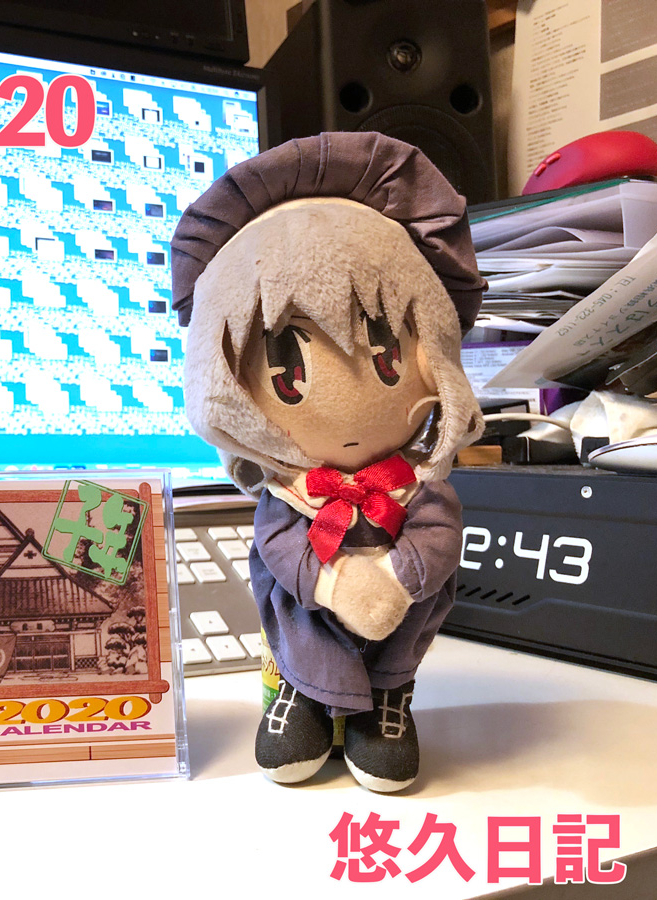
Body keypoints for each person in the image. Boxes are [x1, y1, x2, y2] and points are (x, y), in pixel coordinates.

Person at [171, 133, 486, 792]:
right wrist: (337, 587)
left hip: (396, 624)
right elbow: (279, 546)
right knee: (296, 621)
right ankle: (302, 697)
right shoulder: (290, 493)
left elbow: (440, 534)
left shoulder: (416, 486)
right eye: (284, 370)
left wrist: (397, 578)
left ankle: (386, 705)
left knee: (399, 637)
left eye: (387, 356)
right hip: (312, 612)